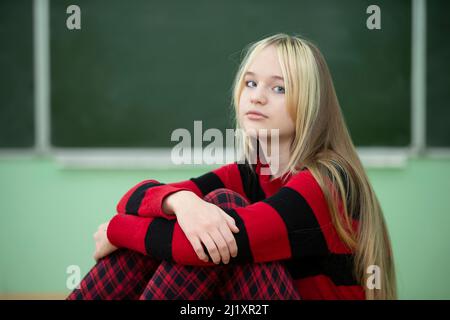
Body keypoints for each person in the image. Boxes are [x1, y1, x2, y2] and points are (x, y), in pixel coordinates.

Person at [68, 33, 396, 300]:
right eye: (251, 83)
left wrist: (116, 230)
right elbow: (135, 200)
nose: (257, 97)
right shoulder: (250, 173)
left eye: (278, 88)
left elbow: (195, 249)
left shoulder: (329, 181)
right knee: (196, 223)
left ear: (310, 102)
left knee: (219, 223)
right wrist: (180, 202)